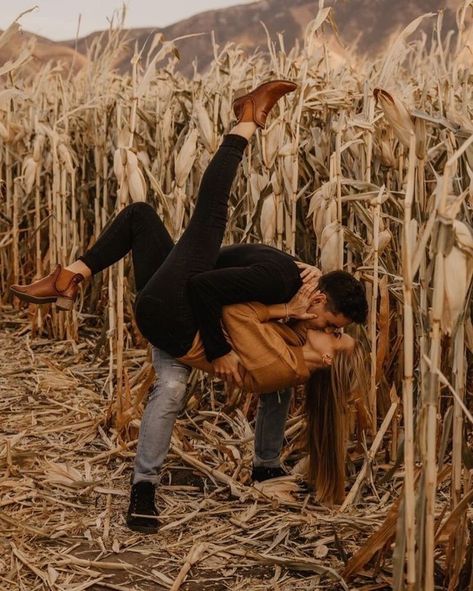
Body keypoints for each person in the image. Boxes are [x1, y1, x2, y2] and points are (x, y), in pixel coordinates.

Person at [9, 79, 369, 530]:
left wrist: (284, 315)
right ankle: (247, 121)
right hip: (176, 308)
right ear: (317, 297)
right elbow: (204, 289)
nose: (330, 332)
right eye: (331, 322)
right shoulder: (280, 281)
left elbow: (258, 324)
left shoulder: (295, 302)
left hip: (175, 307)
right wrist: (220, 352)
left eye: (334, 332)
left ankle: (261, 466)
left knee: (194, 379)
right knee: (198, 211)